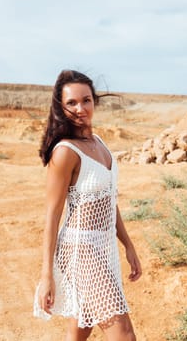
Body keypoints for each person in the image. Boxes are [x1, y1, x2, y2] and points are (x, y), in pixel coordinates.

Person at [33, 70, 142, 340]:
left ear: (94, 102)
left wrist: (127, 244)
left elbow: (108, 200)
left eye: (86, 100)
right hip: (80, 250)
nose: (80, 108)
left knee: (81, 329)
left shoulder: (100, 144)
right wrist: (46, 275)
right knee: (124, 334)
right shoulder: (65, 152)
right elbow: (52, 215)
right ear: (60, 107)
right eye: (71, 103)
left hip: (103, 248)